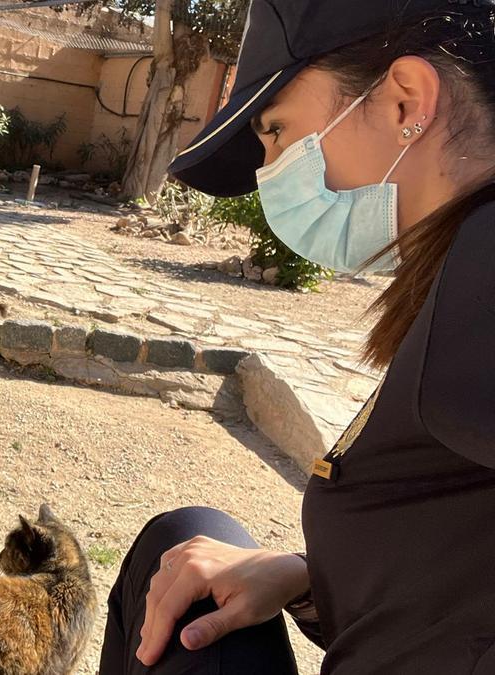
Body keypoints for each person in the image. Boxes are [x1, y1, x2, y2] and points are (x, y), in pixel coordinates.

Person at [99, 1, 495, 673]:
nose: (270, 170)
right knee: (186, 541)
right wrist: (303, 580)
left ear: (406, 103)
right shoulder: (462, 265)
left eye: (277, 131)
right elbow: (451, 570)